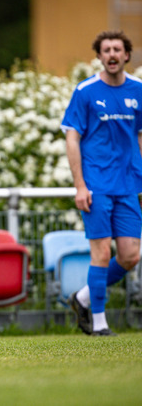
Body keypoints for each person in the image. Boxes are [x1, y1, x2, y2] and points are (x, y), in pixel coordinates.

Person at [62, 30, 142, 336]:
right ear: (99, 56)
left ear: (126, 56)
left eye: (117, 49)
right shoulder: (85, 91)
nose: (112, 54)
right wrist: (80, 186)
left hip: (128, 185)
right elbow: (72, 138)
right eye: (106, 50)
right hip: (96, 185)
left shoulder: (138, 90)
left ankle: (82, 297)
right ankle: (99, 324)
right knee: (102, 254)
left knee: (131, 255)